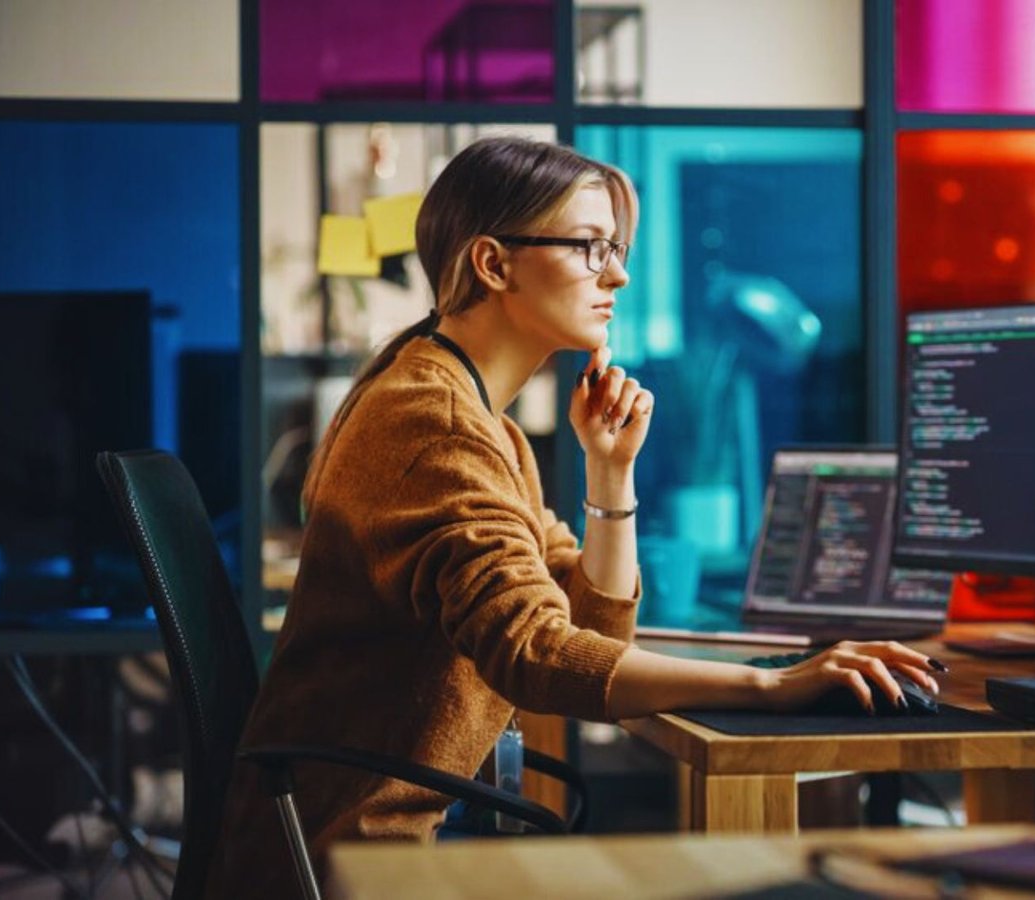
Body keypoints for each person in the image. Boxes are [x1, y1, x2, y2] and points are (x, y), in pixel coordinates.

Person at [205, 136, 940, 897]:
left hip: (368, 845)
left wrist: (608, 469)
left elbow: (592, 633)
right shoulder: (434, 421)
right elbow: (536, 653)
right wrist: (775, 687)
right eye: (590, 247)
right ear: (493, 264)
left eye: (614, 249)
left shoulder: (479, 420)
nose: (617, 273)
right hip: (344, 862)